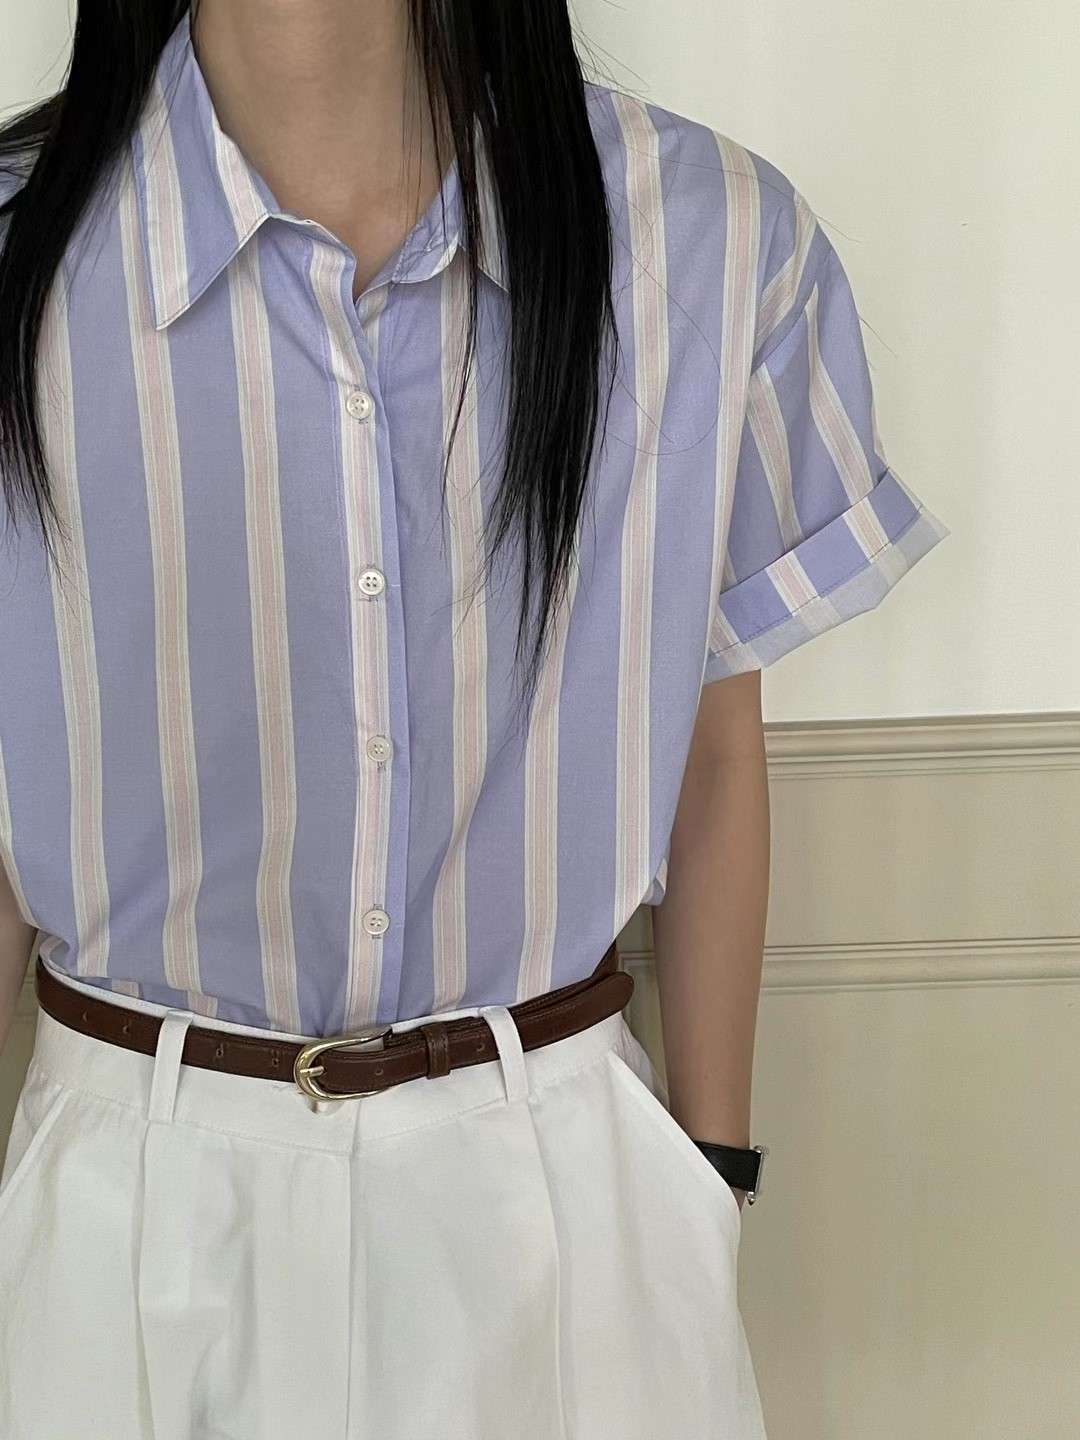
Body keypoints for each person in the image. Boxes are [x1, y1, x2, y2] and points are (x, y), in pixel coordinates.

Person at [0, 0, 950, 1435]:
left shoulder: (710, 238)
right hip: (117, 1205)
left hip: (564, 1191)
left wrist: (709, 1178)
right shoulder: (28, 260)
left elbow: (710, 754)